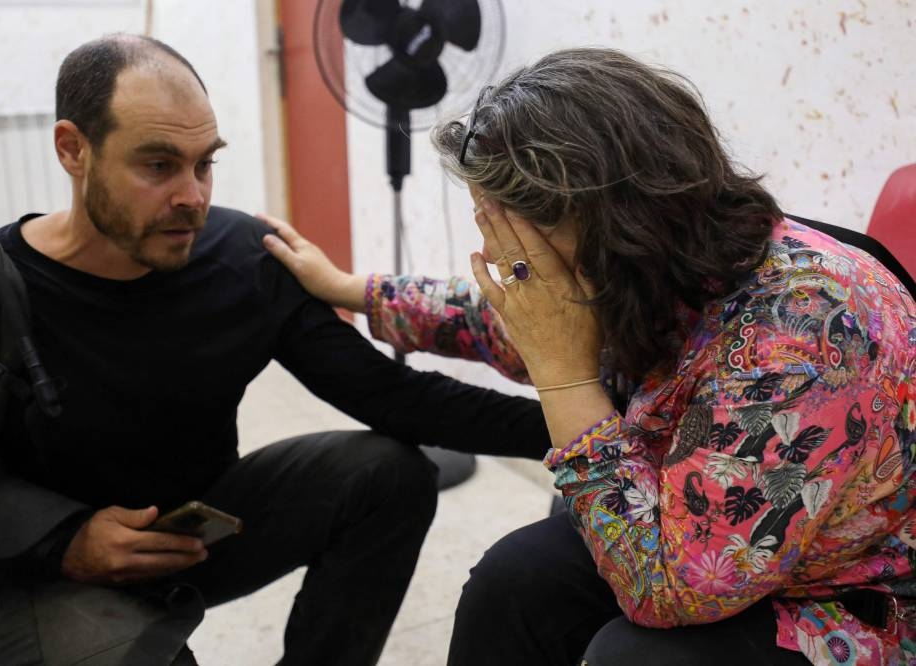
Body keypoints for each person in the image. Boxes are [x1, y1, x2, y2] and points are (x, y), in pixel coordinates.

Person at [262, 47, 916, 665]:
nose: (496, 256)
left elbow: (668, 590)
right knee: (513, 582)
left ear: (603, 218)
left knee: (634, 657)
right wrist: (357, 291)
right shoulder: (653, 265)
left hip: (857, 596)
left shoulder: (803, 333)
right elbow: (507, 313)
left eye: (506, 232)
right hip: (720, 533)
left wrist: (563, 376)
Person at [0, 34, 552, 666]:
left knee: (388, 475)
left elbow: (394, 399)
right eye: (158, 166)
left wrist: (586, 428)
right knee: (143, 650)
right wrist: (63, 538)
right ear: (73, 149)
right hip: (34, 572)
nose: (192, 196)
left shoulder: (243, 259)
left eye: (204, 163)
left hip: (190, 537)